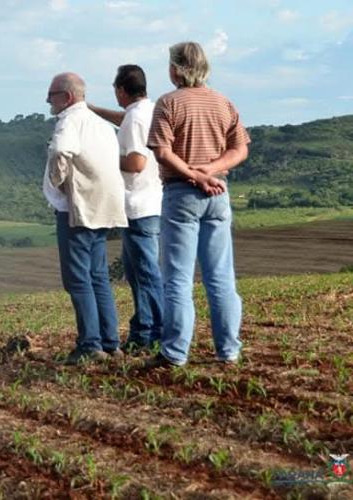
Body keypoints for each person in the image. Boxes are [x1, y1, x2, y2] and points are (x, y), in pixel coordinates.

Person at [145, 41, 250, 368]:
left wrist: (194, 173)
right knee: (220, 277)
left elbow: (162, 152)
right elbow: (240, 150)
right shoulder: (223, 103)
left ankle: (175, 352)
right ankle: (228, 350)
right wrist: (212, 171)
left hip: (181, 194)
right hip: (219, 193)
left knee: (177, 277)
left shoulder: (168, 103)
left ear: (176, 68)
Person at [43, 72, 128, 365]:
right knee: (98, 276)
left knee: (78, 278)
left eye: (52, 95)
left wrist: (58, 181)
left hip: (77, 208)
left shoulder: (69, 120)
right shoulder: (101, 125)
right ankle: (110, 342)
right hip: (105, 205)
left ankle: (90, 344)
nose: (48, 101)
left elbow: (60, 150)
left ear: (67, 97)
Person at [89, 65, 164, 355]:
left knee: (144, 273)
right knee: (139, 273)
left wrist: (104, 159)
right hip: (152, 201)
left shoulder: (134, 119)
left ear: (121, 90)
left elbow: (136, 163)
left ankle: (154, 331)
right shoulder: (149, 110)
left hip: (137, 205)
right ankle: (144, 329)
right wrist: (94, 110)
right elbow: (126, 119)